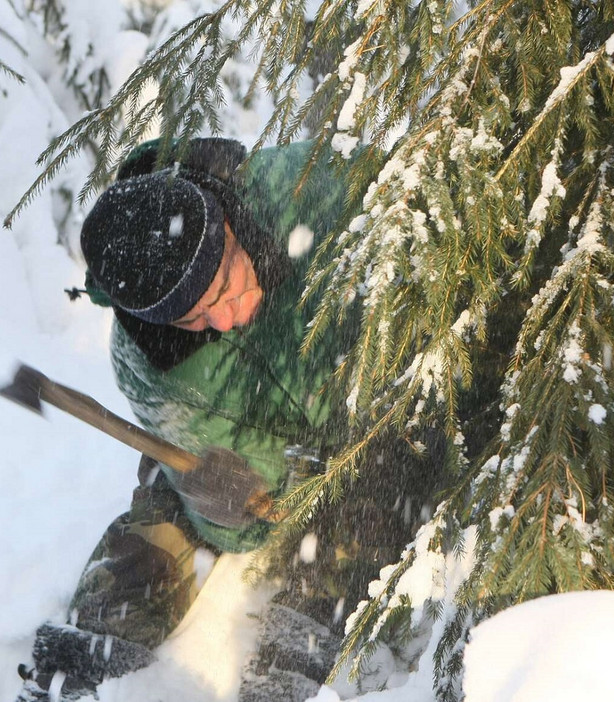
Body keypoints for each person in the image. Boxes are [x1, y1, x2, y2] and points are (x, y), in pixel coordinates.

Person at [15, 137, 432, 702]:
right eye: (197, 316)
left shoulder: (307, 188)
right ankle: (81, 662)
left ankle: (289, 666)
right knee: (172, 517)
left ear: (229, 229)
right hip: (278, 451)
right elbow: (263, 502)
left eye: (227, 282)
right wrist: (224, 501)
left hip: (391, 395)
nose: (229, 316)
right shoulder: (150, 364)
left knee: (361, 516)